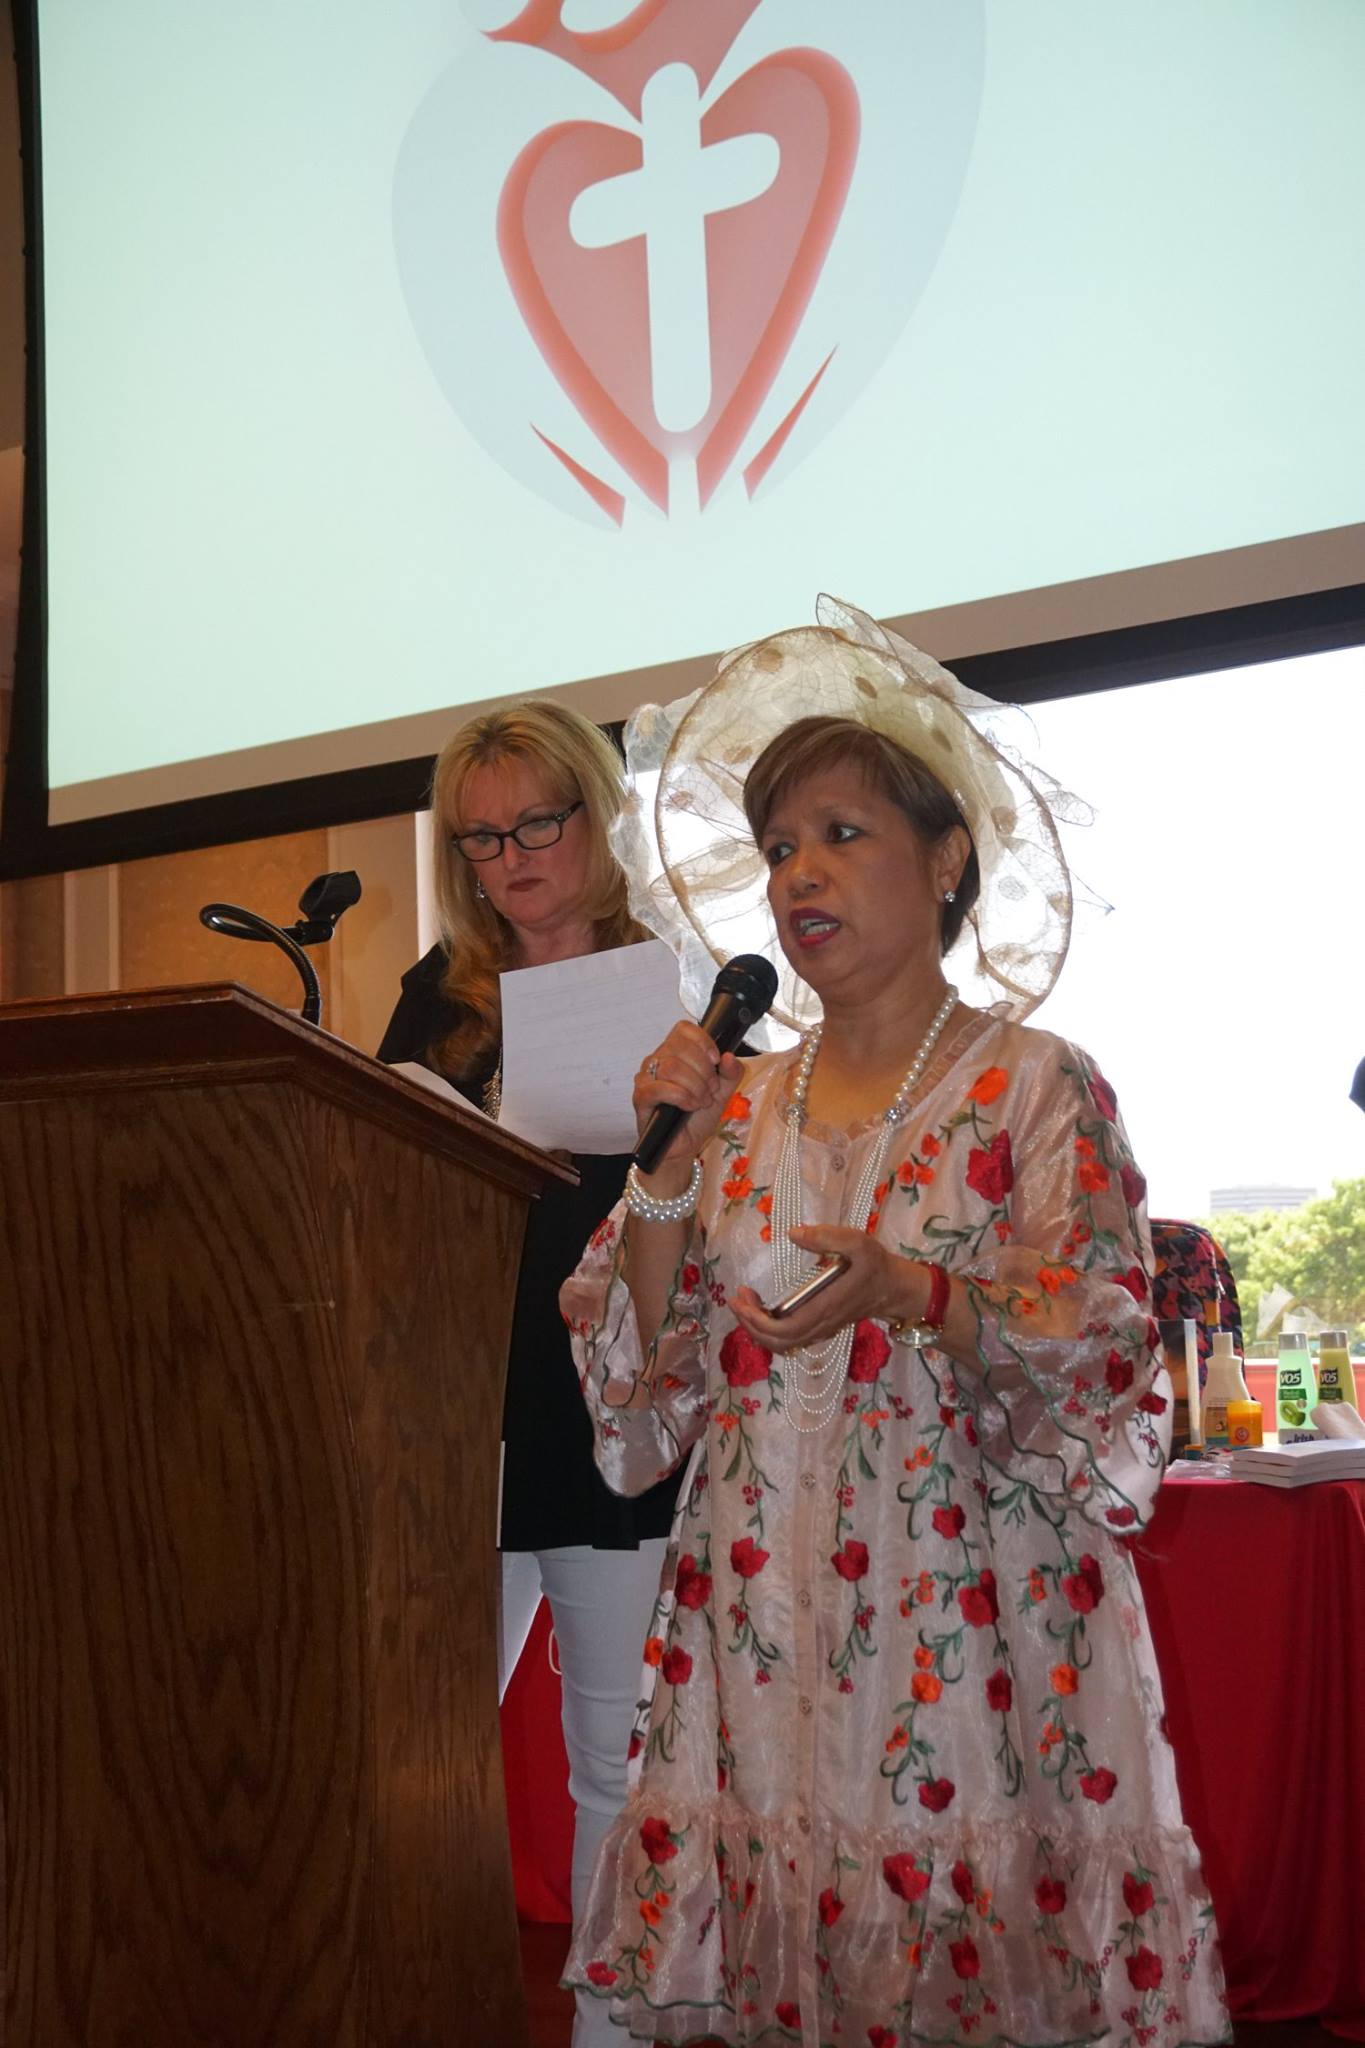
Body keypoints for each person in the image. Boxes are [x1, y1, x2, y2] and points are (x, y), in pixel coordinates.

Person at [558, 602, 1230, 2048]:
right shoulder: (725, 1102)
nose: (799, 872)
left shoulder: (1033, 1085)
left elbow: (1107, 1342)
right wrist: (663, 1181)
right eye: (780, 845)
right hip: (757, 1623)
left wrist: (923, 1293)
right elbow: (637, 1390)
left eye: (841, 834)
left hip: (960, 1627)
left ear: (943, 862)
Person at [377, 699, 682, 2048]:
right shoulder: (436, 993)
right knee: (416, 1741)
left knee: (612, 1748)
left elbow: (708, 1198)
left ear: (592, 818)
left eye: (535, 823)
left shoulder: (663, 985)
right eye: (482, 835)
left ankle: (609, 2031)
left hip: (608, 1403)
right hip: (463, 1406)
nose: (511, 856)